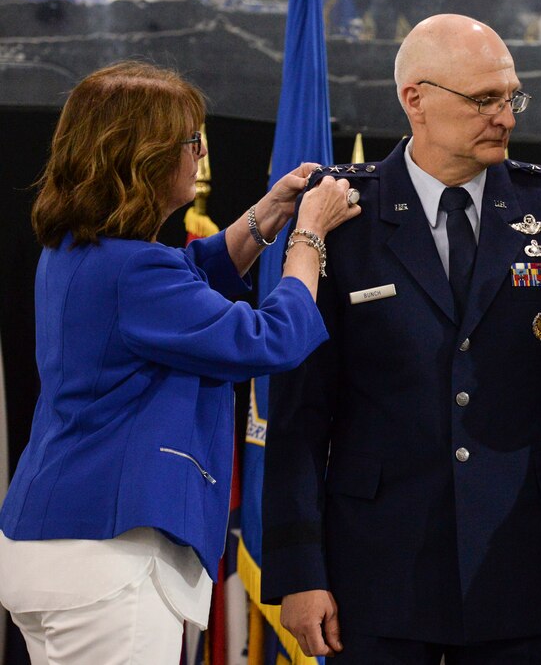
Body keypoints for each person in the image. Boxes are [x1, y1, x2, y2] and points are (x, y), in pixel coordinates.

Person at [260, 13, 541, 664]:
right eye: (483, 99)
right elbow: (300, 414)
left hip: (522, 566)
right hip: (374, 571)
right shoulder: (343, 214)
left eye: (511, 97)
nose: (505, 117)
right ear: (416, 99)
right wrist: (299, 571)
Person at [0, 60, 360, 664]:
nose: (201, 153)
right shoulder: (133, 271)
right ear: (144, 154)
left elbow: (192, 276)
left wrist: (267, 214)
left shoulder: (75, 251)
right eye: (192, 139)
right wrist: (308, 236)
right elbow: (270, 339)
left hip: (56, 544)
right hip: (110, 560)